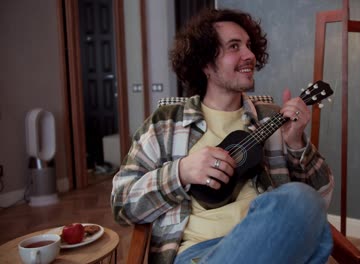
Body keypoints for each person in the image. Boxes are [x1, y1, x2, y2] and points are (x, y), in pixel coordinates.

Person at [111, 8, 334, 264]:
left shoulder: (272, 118)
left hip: (268, 243)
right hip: (199, 254)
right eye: (234, 47)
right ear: (205, 63)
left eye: (249, 46)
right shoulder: (166, 124)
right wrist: (180, 172)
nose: (249, 55)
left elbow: (321, 198)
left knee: (303, 200)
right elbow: (121, 204)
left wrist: (296, 143)